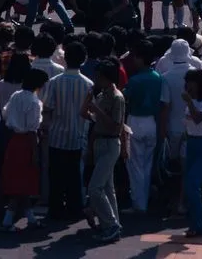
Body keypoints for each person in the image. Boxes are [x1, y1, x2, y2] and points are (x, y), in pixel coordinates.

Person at [42, 41, 92, 221]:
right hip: (77, 136)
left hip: (57, 135)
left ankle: (55, 209)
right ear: (83, 60)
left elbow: (47, 107)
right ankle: (74, 208)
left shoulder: (55, 82)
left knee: (56, 175)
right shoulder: (88, 84)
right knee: (74, 176)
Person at [82, 59, 125, 243]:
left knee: (95, 187)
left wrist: (97, 111)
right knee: (107, 188)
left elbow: (116, 126)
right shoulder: (101, 95)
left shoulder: (116, 97)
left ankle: (111, 224)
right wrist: (88, 107)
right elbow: (90, 118)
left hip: (110, 143)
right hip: (100, 141)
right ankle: (112, 223)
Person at [122, 40, 167, 214]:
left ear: (140, 58)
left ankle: (138, 203)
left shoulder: (134, 80)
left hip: (135, 121)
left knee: (134, 165)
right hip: (152, 122)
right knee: (147, 164)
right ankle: (144, 200)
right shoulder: (158, 78)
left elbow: (126, 99)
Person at [0, 67, 46, 230]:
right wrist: (35, 152)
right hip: (26, 142)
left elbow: (5, 114)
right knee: (23, 182)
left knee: (18, 181)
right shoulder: (34, 102)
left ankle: (30, 218)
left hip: (13, 140)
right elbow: (33, 129)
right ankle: (7, 221)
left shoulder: (15, 96)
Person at [181, 68, 202, 237]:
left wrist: (189, 103)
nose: (188, 85)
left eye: (191, 82)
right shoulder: (192, 101)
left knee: (192, 183)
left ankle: (200, 223)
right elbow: (188, 125)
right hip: (192, 144)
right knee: (191, 187)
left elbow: (197, 118)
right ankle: (195, 223)